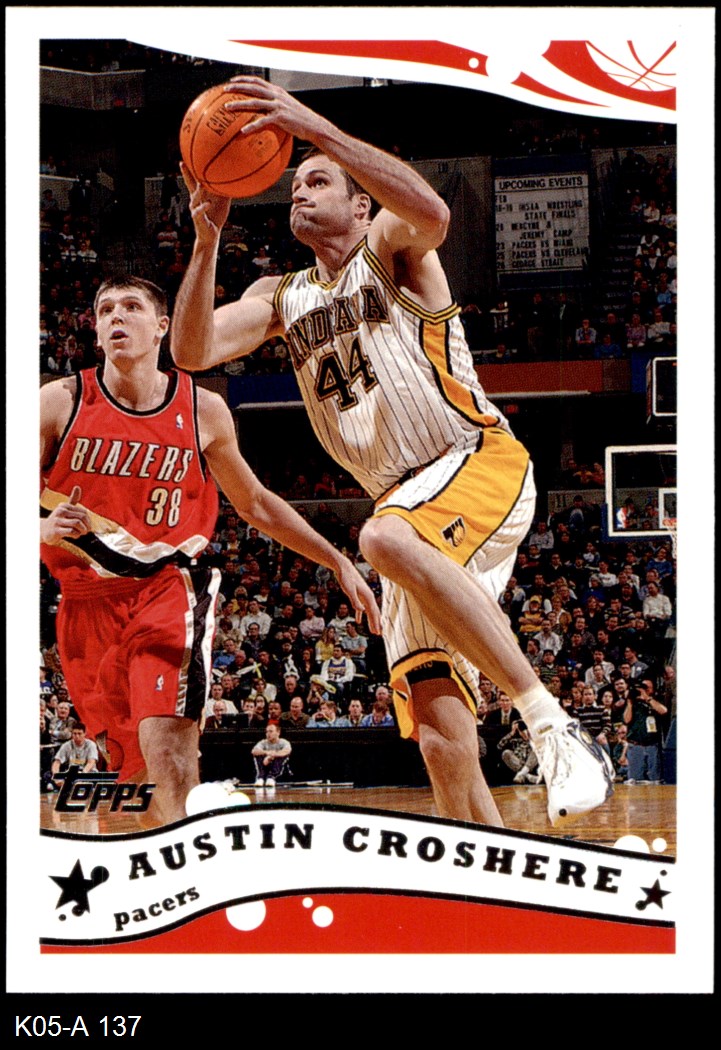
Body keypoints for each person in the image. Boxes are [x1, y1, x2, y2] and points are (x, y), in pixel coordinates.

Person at [171, 76, 613, 828]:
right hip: (404, 506)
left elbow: (434, 212)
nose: (299, 191)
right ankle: (486, 879)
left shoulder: (390, 247)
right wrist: (207, 238)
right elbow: (191, 350)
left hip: (473, 458)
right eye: (294, 185)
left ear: (361, 204)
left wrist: (317, 128)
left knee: (381, 538)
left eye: (317, 180)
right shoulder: (281, 294)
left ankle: (552, 725)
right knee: (440, 733)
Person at [40, 275, 380, 826]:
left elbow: (256, 503)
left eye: (131, 307)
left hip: (166, 592)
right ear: (96, 331)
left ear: (162, 327)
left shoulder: (203, 409)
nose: (116, 316)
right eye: (105, 310)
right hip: (83, 605)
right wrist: (39, 526)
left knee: (171, 755)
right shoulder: (60, 402)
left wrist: (336, 560)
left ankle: (198, 867)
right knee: (136, 784)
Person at [251, 722, 292, 789]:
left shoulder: (284, 742)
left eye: (271, 731)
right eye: (267, 732)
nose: (268, 734)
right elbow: (254, 751)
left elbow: (287, 751)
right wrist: (267, 753)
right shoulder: (263, 742)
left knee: (280, 756)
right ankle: (260, 778)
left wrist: (272, 755)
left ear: (278, 732)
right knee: (259, 755)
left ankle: (271, 777)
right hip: (265, 764)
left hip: (279, 767)